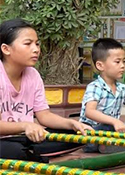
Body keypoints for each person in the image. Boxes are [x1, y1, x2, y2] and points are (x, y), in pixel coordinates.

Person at [0, 19, 92, 161]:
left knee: (79, 135)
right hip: (5, 141)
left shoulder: (33, 75)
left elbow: (44, 116)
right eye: (27, 44)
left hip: (27, 138)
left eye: (37, 44)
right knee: (14, 151)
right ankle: (37, 157)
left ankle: (33, 156)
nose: (36, 49)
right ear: (6, 49)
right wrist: (26, 126)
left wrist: (72, 124)